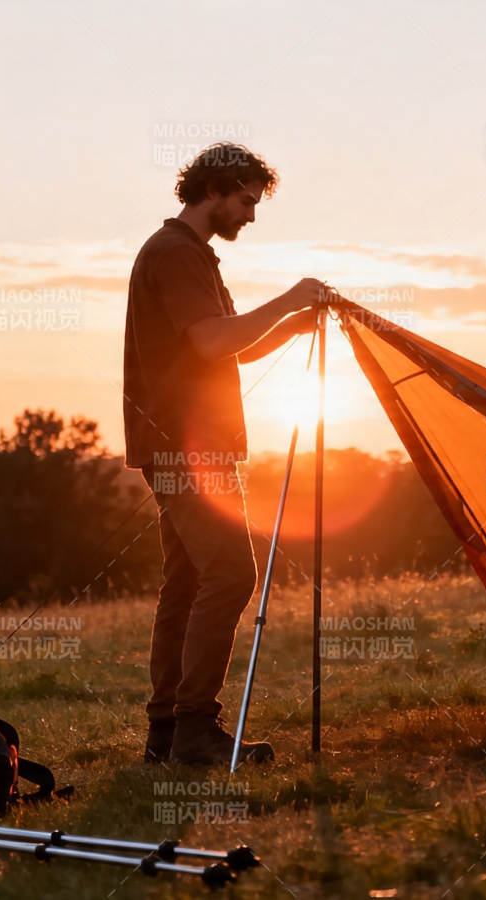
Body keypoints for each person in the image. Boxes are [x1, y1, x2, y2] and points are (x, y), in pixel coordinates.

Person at [123, 142, 323, 766]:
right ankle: (194, 729)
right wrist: (289, 298)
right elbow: (212, 343)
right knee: (232, 574)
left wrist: (290, 325)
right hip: (186, 449)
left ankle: (166, 734)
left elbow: (229, 342)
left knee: (186, 583)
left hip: (185, 446)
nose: (251, 215)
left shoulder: (194, 255)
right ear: (213, 190)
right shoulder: (175, 253)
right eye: (245, 200)